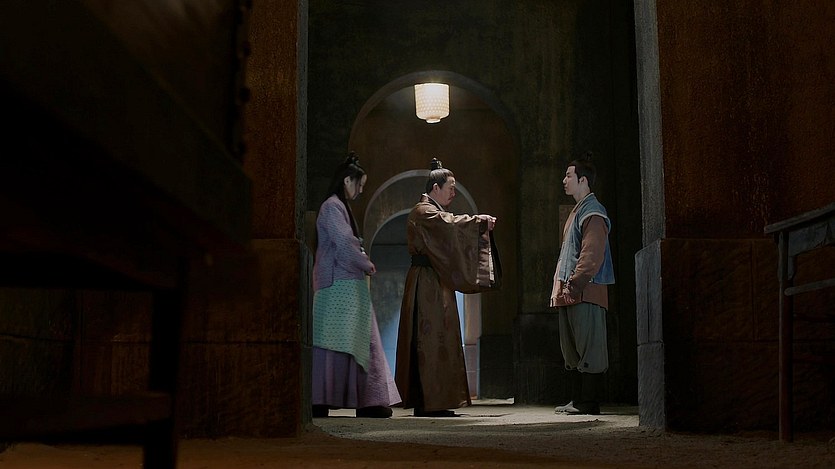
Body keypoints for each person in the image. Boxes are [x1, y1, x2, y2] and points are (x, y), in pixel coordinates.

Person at [395, 158, 501, 417]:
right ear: (435, 188)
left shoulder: (430, 211)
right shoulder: (423, 212)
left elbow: (449, 225)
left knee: (437, 338)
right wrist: (478, 221)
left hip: (434, 280)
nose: (454, 193)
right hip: (426, 283)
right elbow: (450, 224)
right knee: (430, 340)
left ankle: (434, 401)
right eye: (450, 188)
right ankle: (430, 402)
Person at [311, 152, 401, 418]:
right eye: (359, 184)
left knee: (341, 343)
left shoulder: (335, 207)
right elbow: (344, 242)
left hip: (341, 283)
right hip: (341, 283)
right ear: (347, 180)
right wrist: (365, 262)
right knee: (354, 342)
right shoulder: (333, 207)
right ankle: (365, 401)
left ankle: (330, 399)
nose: (361, 190)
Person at [549, 151, 615, 415]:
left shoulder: (593, 211)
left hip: (586, 289)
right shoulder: (578, 211)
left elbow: (591, 253)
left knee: (589, 347)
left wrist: (576, 283)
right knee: (574, 348)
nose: (564, 180)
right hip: (572, 290)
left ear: (583, 180)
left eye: (569, 175)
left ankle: (588, 402)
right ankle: (578, 400)